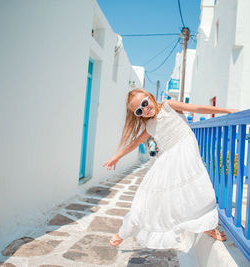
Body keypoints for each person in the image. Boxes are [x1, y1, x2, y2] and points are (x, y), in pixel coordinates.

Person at [102, 88, 239, 252]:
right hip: (167, 162)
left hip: (186, 155)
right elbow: (135, 142)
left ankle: (204, 225)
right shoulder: (149, 127)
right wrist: (117, 156)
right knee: (148, 198)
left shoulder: (169, 105)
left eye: (145, 103)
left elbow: (197, 109)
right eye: (139, 110)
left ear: (150, 97)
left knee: (196, 190)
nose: (145, 109)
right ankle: (125, 231)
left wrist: (225, 110)